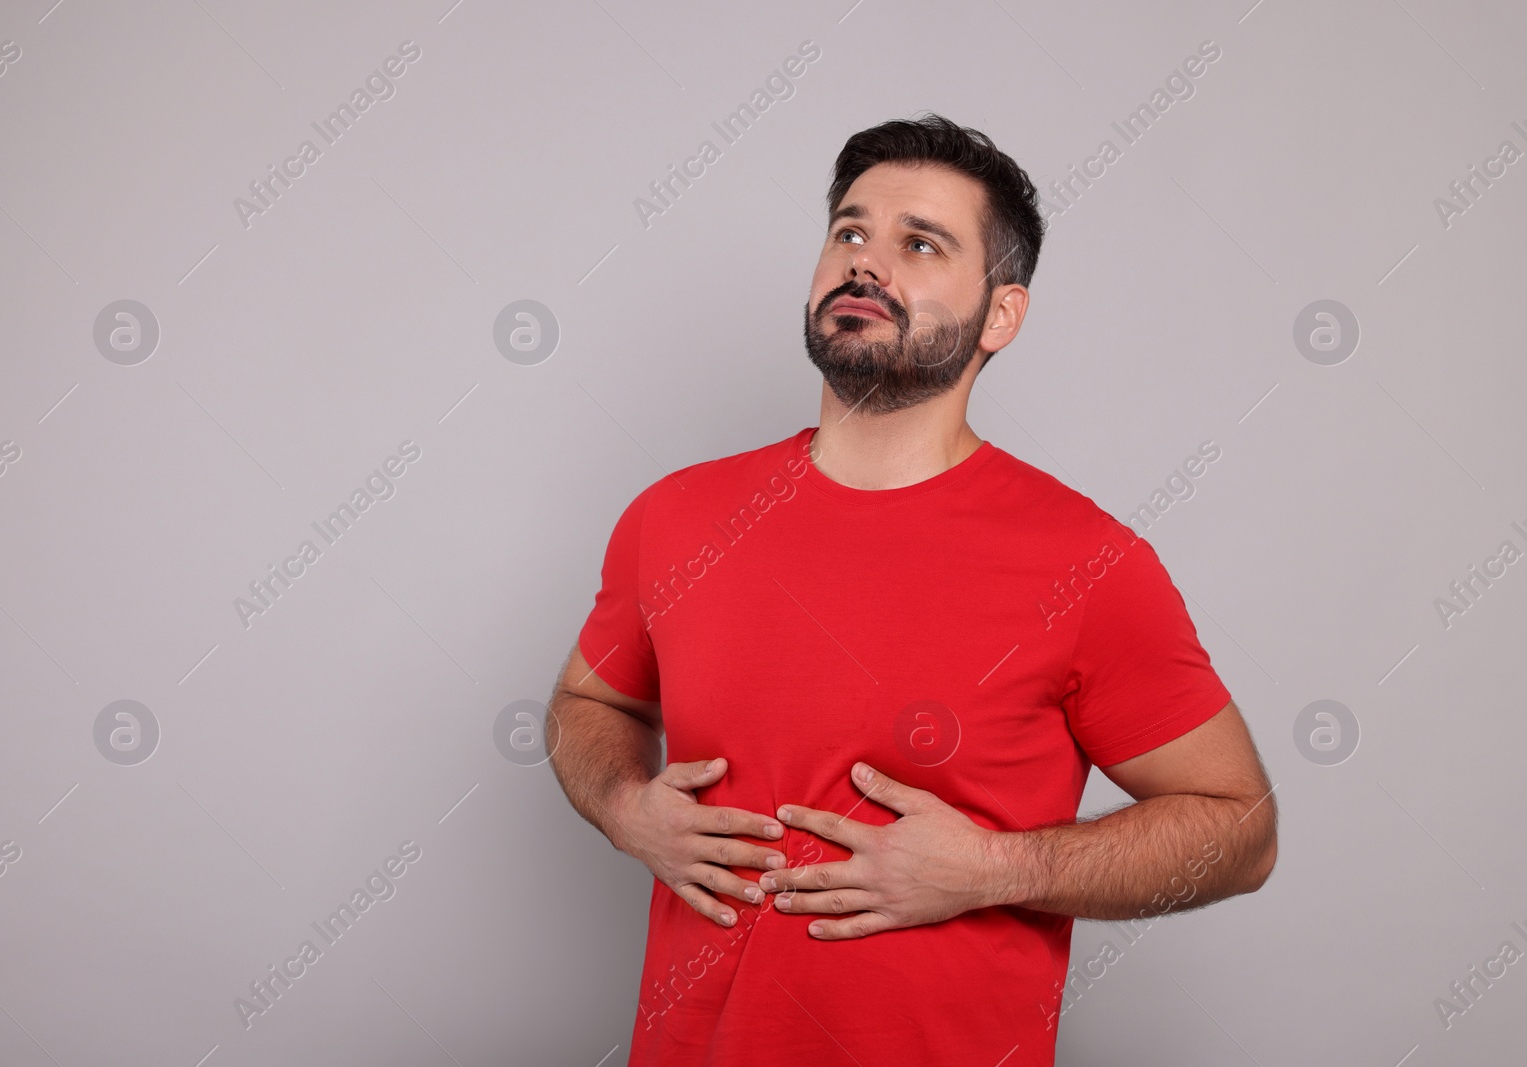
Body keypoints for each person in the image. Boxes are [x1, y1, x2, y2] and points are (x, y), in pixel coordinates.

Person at [546, 112, 1277, 1066]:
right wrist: (624, 806)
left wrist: (994, 869)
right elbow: (584, 700)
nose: (865, 262)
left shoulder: (1087, 564)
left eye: (919, 243)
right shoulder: (675, 516)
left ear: (1001, 315)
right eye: (850, 232)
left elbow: (1239, 829)